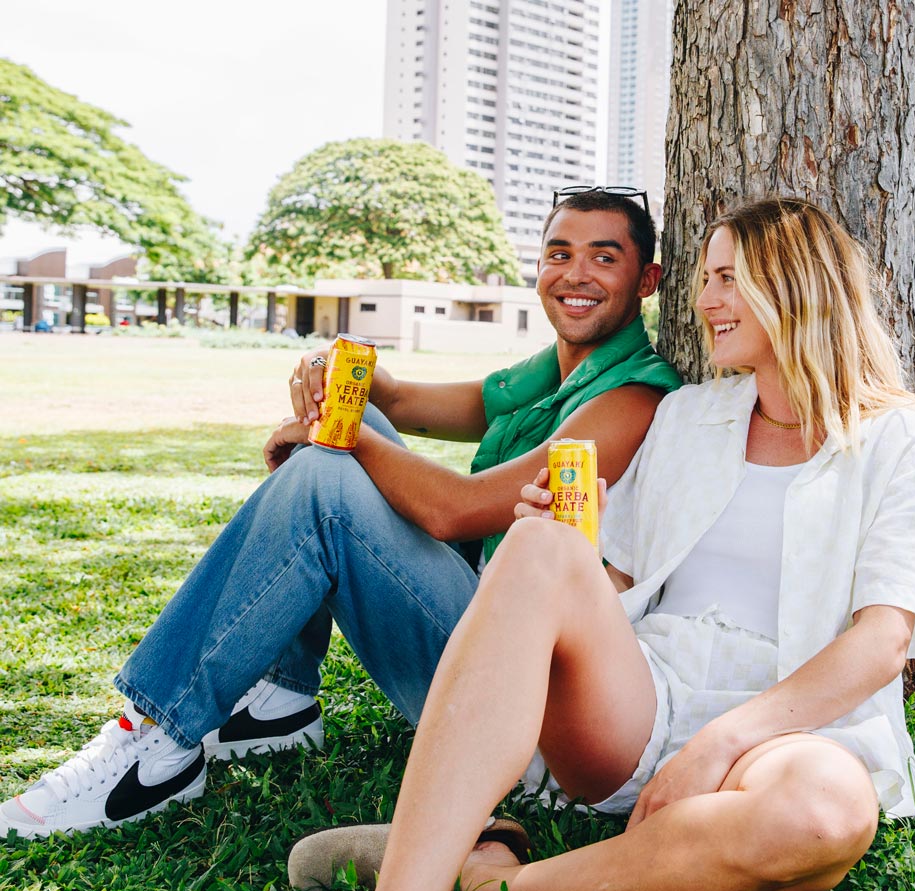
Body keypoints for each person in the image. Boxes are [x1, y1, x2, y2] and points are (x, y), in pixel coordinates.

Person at [199, 197, 915, 891]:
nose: (706, 302)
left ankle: (483, 877)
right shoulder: (690, 417)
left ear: (798, 286)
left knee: (823, 817)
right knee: (541, 545)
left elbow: (883, 641)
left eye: (729, 280)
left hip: (792, 729)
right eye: (705, 278)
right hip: (643, 699)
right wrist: (554, 571)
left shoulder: (906, 440)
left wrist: (722, 743)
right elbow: (619, 578)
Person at [1, 189, 679, 838]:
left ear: (646, 281)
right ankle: (279, 702)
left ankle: (154, 747)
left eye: (604, 257)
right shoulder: (553, 374)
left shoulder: (632, 398)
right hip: (484, 629)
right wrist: (333, 373)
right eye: (559, 253)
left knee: (330, 471)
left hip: (525, 705)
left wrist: (333, 436)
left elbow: (458, 510)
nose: (575, 274)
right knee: (359, 427)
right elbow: (397, 399)